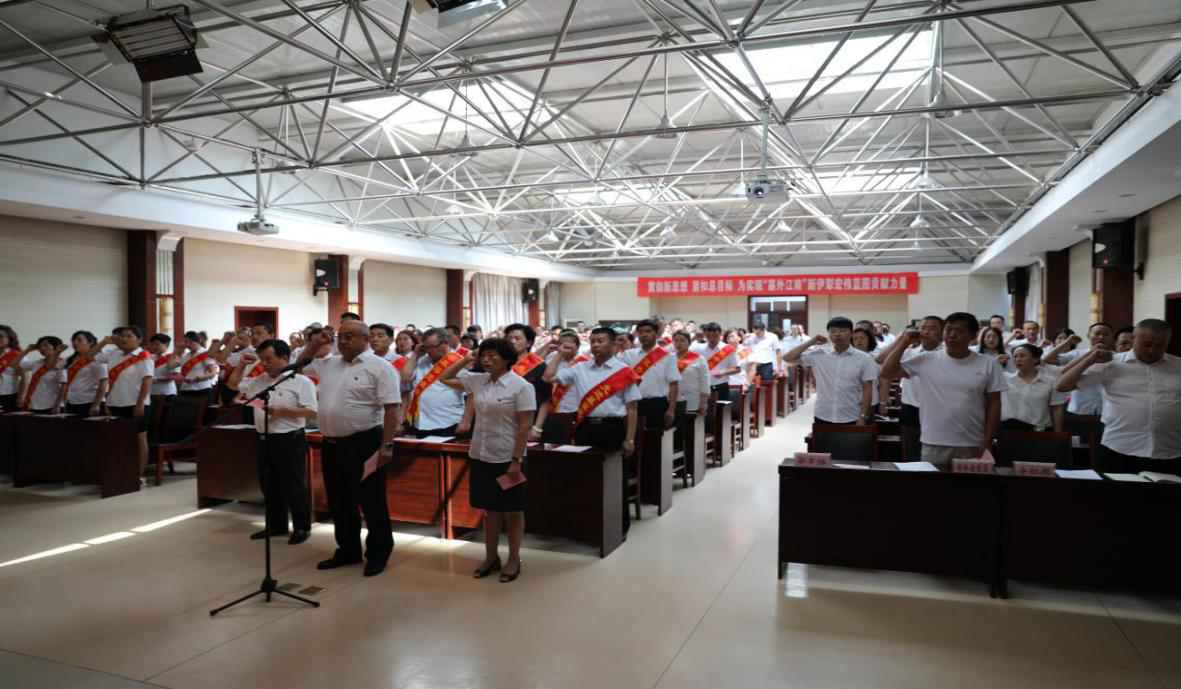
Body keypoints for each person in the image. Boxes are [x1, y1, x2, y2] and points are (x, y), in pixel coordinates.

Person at [299, 321, 401, 576]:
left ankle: (378, 553)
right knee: (339, 501)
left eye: (350, 336)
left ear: (365, 339)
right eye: (340, 336)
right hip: (332, 444)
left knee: (371, 501)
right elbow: (298, 366)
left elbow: (392, 409)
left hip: (365, 443)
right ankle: (347, 550)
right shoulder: (330, 363)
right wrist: (315, 344)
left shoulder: (381, 367)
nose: (343, 341)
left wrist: (387, 445)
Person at [438, 338, 534, 582]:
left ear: (507, 358)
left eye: (492, 355)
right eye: (484, 355)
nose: (486, 360)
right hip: (481, 454)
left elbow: (525, 427)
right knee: (490, 511)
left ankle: (514, 559)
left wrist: (516, 460)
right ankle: (491, 557)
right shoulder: (478, 380)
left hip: (508, 457)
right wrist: (466, 359)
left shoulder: (521, 386)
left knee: (512, 511)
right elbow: (444, 378)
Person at [543, 326, 640, 532]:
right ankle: (589, 525)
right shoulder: (580, 368)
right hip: (585, 427)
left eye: (601, 341)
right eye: (593, 341)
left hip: (612, 428)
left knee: (615, 478)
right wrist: (559, 354)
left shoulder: (623, 371)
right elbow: (548, 378)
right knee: (585, 477)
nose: (595, 345)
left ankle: (619, 526)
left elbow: (632, 408)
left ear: (613, 344)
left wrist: (630, 439)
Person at [1055, 319, 1181, 474]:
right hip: (1120, 448)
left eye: (1160, 345)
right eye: (1146, 344)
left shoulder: (1178, 365)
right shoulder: (1112, 363)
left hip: (1170, 450)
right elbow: (1062, 386)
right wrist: (1089, 360)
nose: (1152, 350)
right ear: (1133, 339)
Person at [880, 313, 1007, 465]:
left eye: (959, 330)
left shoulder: (988, 363)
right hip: (934, 441)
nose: (952, 334)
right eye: (949, 329)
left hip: (972, 442)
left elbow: (994, 405)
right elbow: (886, 372)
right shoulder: (926, 359)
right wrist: (904, 343)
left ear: (974, 335)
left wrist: (987, 440)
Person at [228, 339, 317, 545]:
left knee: (293, 484)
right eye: (262, 360)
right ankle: (276, 525)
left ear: (285, 358)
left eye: (269, 359)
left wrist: (283, 410)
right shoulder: (260, 381)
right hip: (264, 438)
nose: (265, 364)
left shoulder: (301, 381)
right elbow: (232, 385)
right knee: (269, 484)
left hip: (289, 438)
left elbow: (311, 411)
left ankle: (302, 526)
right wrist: (241, 364)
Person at [83, 327, 154, 477]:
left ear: (139, 340)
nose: (124, 339)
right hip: (115, 403)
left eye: (129, 336)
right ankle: (122, 474)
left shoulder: (143, 356)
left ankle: (139, 475)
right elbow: (89, 356)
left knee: (139, 440)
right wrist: (104, 342)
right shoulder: (115, 354)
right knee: (120, 440)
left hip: (135, 404)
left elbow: (147, 381)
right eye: (122, 336)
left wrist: (140, 403)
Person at [783, 317, 877, 425]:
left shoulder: (864, 358)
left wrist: (863, 416)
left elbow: (867, 389)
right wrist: (811, 342)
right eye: (833, 331)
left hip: (851, 415)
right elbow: (788, 358)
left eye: (842, 330)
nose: (838, 334)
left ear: (851, 333)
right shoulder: (819, 355)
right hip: (823, 414)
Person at [400, 327, 466, 438]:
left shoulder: (458, 361)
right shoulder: (422, 359)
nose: (429, 350)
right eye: (426, 347)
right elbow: (405, 377)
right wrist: (415, 355)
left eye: (432, 347)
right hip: (421, 422)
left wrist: (466, 420)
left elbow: (471, 392)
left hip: (448, 421)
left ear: (445, 343)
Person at [878, 316, 944, 427]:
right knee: (909, 437)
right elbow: (880, 359)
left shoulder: (947, 354)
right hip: (910, 406)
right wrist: (901, 340)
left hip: (939, 407)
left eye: (932, 328)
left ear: (942, 332)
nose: (926, 332)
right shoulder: (910, 352)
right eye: (923, 328)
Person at [619, 319, 680, 431]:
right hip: (633, 404)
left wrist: (671, 410)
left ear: (657, 334)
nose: (644, 335)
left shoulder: (668, 356)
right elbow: (623, 382)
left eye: (648, 331)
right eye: (640, 332)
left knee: (656, 438)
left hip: (658, 404)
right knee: (634, 437)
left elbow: (673, 384)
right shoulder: (628, 355)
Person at [1042, 323, 1113, 416]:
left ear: (1111, 337)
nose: (1101, 337)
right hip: (1079, 408)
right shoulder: (1077, 354)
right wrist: (1067, 342)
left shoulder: (1117, 357)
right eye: (1097, 333)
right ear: (1088, 335)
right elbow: (1047, 360)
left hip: (1106, 410)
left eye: (1106, 334)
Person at [533, 329, 587, 442]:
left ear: (577, 345)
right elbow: (536, 369)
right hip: (551, 408)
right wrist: (554, 352)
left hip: (574, 409)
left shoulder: (584, 362)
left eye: (569, 342)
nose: (565, 345)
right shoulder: (553, 358)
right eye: (562, 343)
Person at [1000, 343, 1065, 432]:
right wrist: (995, 363)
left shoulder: (1050, 381)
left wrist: (1058, 434)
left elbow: (1056, 409)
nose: (1017, 359)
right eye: (1015, 356)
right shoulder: (1005, 378)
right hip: (1009, 430)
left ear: (1035, 359)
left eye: (1022, 356)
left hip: (1039, 430)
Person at [59, 331, 107, 417]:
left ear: (90, 342)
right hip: (72, 401)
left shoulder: (98, 358)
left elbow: (103, 383)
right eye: (73, 340)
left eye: (79, 340)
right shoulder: (71, 359)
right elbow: (51, 366)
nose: (75, 343)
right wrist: (57, 351)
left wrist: (96, 404)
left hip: (90, 401)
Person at [691, 322, 739, 402]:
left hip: (721, 386)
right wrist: (694, 338)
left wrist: (722, 373)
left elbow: (737, 369)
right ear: (705, 335)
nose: (712, 339)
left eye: (715, 336)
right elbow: (680, 350)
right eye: (708, 336)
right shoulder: (698, 348)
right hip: (702, 387)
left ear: (720, 334)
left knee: (721, 409)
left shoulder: (728, 349)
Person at [20, 336, 67, 413]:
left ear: (56, 347)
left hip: (52, 406)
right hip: (35, 405)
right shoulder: (37, 363)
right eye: (40, 346)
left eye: (45, 345)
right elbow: (15, 364)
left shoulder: (61, 364)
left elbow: (64, 386)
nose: (42, 348)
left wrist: (57, 406)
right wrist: (27, 350)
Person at [851, 327, 890, 417]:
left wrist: (882, 403)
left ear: (869, 339)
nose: (858, 341)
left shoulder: (877, 358)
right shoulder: (847, 358)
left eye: (862, 338)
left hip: (870, 402)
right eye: (855, 339)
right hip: (850, 402)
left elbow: (882, 383)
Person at [672, 330, 709, 415]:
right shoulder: (670, 358)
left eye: (682, 340)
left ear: (689, 342)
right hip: (673, 401)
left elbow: (705, 382)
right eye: (676, 340)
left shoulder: (699, 359)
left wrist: (703, 402)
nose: (679, 343)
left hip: (693, 401)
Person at [177, 331, 219, 404]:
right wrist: (176, 350)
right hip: (186, 389)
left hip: (201, 389)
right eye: (186, 342)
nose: (188, 345)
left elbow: (213, 373)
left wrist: (197, 378)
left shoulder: (206, 354)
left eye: (190, 342)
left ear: (198, 341)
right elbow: (170, 366)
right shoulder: (185, 356)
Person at [147, 333, 181, 401]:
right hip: (151, 392)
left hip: (167, 393)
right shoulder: (150, 357)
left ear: (166, 344)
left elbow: (175, 376)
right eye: (152, 344)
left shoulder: (173, 357)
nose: (154, 347)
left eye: (157, 344)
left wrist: (157, 378)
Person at [0, 325, 24, 411]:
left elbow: (26, 378)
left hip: (9, 396)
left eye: (1, 336)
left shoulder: (17, 355)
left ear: (10, 338)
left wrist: (21, 397)